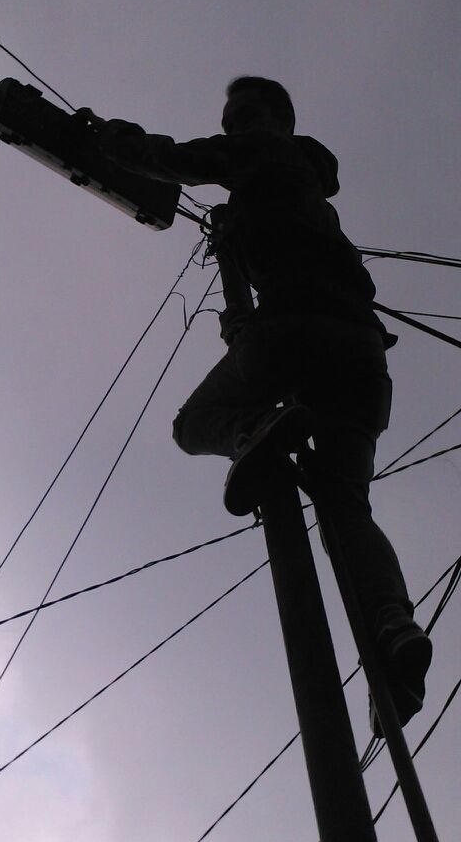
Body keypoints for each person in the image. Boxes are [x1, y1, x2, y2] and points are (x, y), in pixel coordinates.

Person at [87, 76, 431, 732]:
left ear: (275, 118)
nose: (238, 124)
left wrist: (106, 138)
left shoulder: (266, 154)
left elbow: (174, 158)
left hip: (296, 334)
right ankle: (392, 627)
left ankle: (257, 426)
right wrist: (234, 239)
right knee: (344, 504)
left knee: (196, 426)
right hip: (360, 355)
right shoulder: (298, 187)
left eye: (246, 114)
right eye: (234, 116)